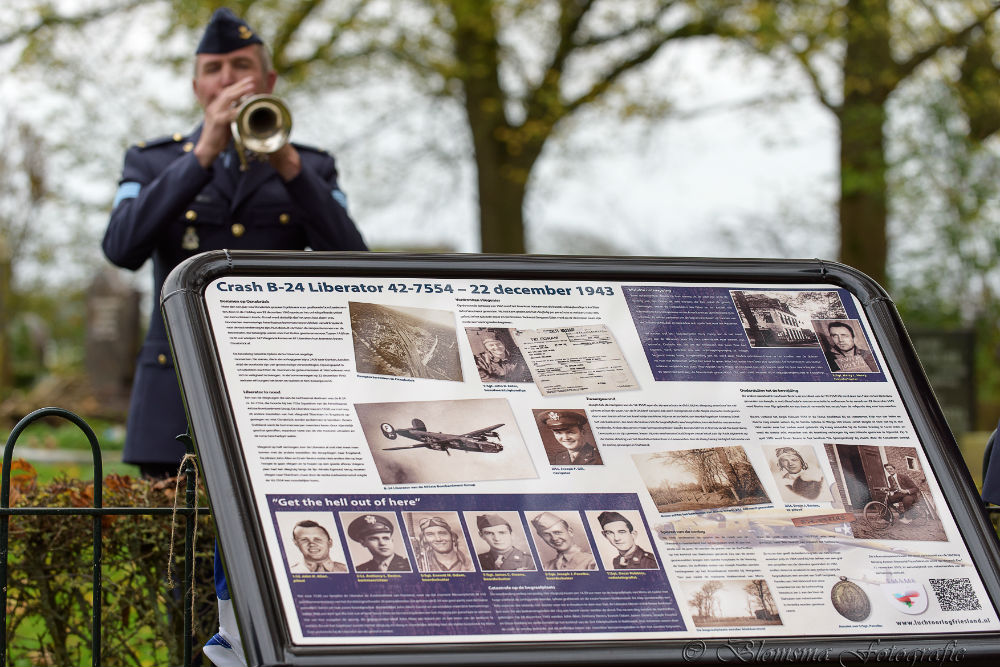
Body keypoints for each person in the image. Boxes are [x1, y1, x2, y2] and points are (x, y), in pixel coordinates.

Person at [103, 7, 368, 479]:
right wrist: (201, 154)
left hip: (281, 396)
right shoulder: (151, 162)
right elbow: (121, 249)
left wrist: (289, 166)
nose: (227, 79)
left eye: (241, 66)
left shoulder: (312, 166)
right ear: (197, 88)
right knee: (174, 547)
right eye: (213, 69)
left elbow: (353, 261)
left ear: (268, 79)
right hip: (175, 396)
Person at [530, 511, 596, 571]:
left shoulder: (592, 561)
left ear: (570, 532)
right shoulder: (545, 567)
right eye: (546, 534)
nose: (554, 538)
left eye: (557, 532)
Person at [347, 514, 411, 572]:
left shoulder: (409, 565)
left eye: (385, 538)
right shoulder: (359, 570)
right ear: (363, 543)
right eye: (374, 539)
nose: (382, 543)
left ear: (392, 541)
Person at [538, 411, 603, 465]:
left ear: (582, 432)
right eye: (558, 433)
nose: (565, 438)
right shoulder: (560, 457)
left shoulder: (598, 457)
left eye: (570, 432)